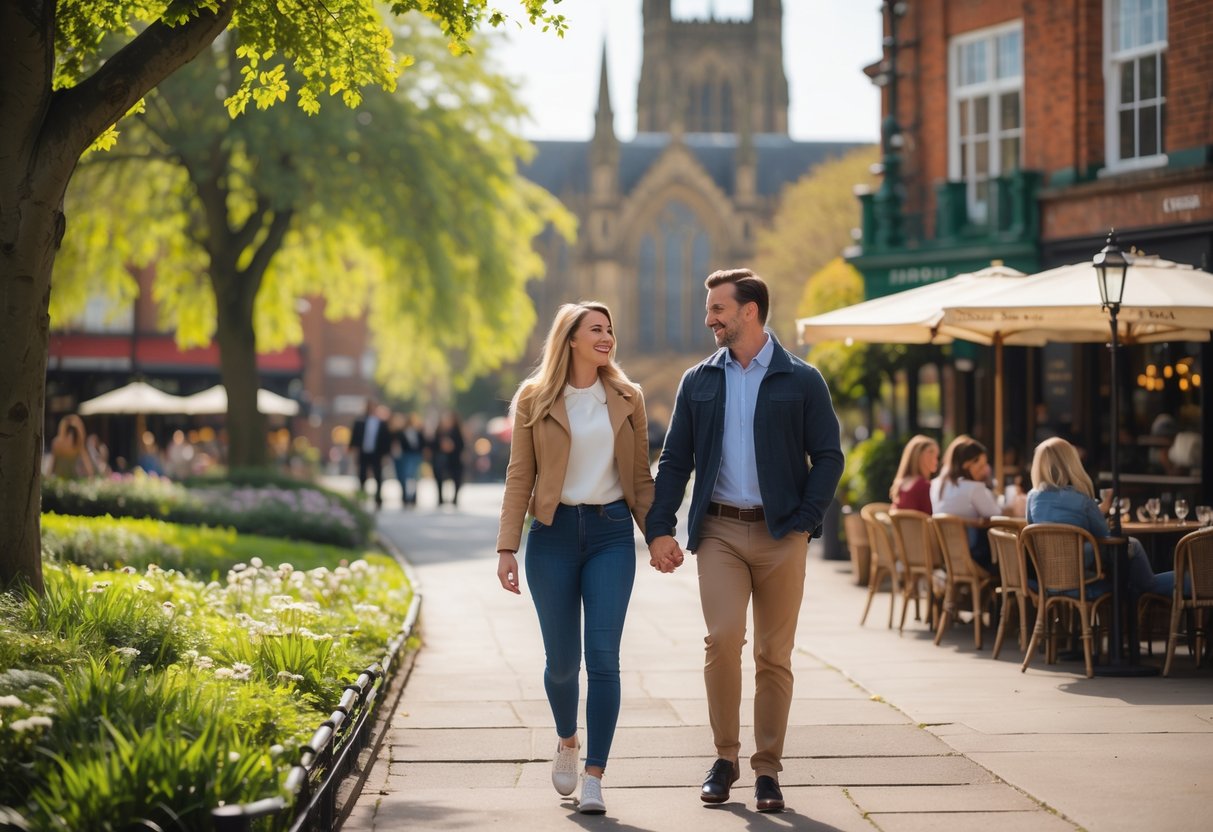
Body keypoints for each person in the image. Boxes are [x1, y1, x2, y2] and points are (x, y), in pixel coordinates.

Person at [645, 268, 844, 814]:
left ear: (749, 311)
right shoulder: (699, 381)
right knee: (722, 640)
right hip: (721, 532)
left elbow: (829, 455)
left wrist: (806, 517)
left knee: (773, 655)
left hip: (783, 533)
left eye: (718, 309)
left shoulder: (801, 379)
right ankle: (725, 757)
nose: (709, 318)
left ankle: (767, 769)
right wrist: (660, 526)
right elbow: (675, 460)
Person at [495, 301, 654, 816]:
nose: (607, 337)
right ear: (570, 340)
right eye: (596, 330)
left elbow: (641, 479)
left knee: (603, 659)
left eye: (609, 329)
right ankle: (568, 740)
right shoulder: (535, 397)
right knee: (562, 664)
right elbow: (520, 474)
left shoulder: (629, 397)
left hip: (610, 534)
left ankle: (595, 777)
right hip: (553, 534)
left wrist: (658, 537)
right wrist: (506, 547)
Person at [1025, 437, 1176, 599]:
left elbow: (1035, 528)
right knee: (1134, 550)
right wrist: (1097, 512)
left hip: (1049, 581)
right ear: (1070, 463)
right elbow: (1105, 535)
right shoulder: (1081, 500)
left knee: (1129, 578)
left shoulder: (1032, 498)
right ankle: (1186, 582)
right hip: (1083, 583)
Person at [932, 437, 1000, 572]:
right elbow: (997, 515)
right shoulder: (973, 488)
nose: (984, 471)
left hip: (947, 556)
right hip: (975, 557)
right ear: (966, 465)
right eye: (980, 466)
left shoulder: (936, 484)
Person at [349, 401, 391, 509]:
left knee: (378, 476)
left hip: (377, 454)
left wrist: (386, 455)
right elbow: (355, 438)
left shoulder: (382, 424)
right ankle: (362, 497)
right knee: (362, 475)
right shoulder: (360, 422)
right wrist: (353, 451)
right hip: (363, 452)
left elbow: (386, 441)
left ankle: (378, 498)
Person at [890, 434, 939, 513]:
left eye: (937, 455)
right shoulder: (923, 485)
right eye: (931, 452)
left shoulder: (900, 483)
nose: (936, 460)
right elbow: (931, 516)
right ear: (919, 456)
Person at [431, 411, 466, 506]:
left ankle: (455, 498)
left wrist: (452, 446)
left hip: (455, 459)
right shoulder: (439, 431)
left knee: (457, 478)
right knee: (439, 478)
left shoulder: (457, 431)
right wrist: (441, 446)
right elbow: (432, 445)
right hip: (440, 459)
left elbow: (462, 445)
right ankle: (440, 498)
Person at [391, 412, 426, 507]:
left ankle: (413, 496)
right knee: (406, 476)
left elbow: (423, 444)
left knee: (414, 476)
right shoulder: (400, 433)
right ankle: (406, 496)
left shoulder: (418, 432)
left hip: (415, 456)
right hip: (406, 456)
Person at [49, 414, 93, 479]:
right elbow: (52, 463)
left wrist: (91, 476)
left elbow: (87, 464)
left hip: (71, 479)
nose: (71, 435)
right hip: (61, 479)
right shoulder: (57, 443)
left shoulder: (78, 445)